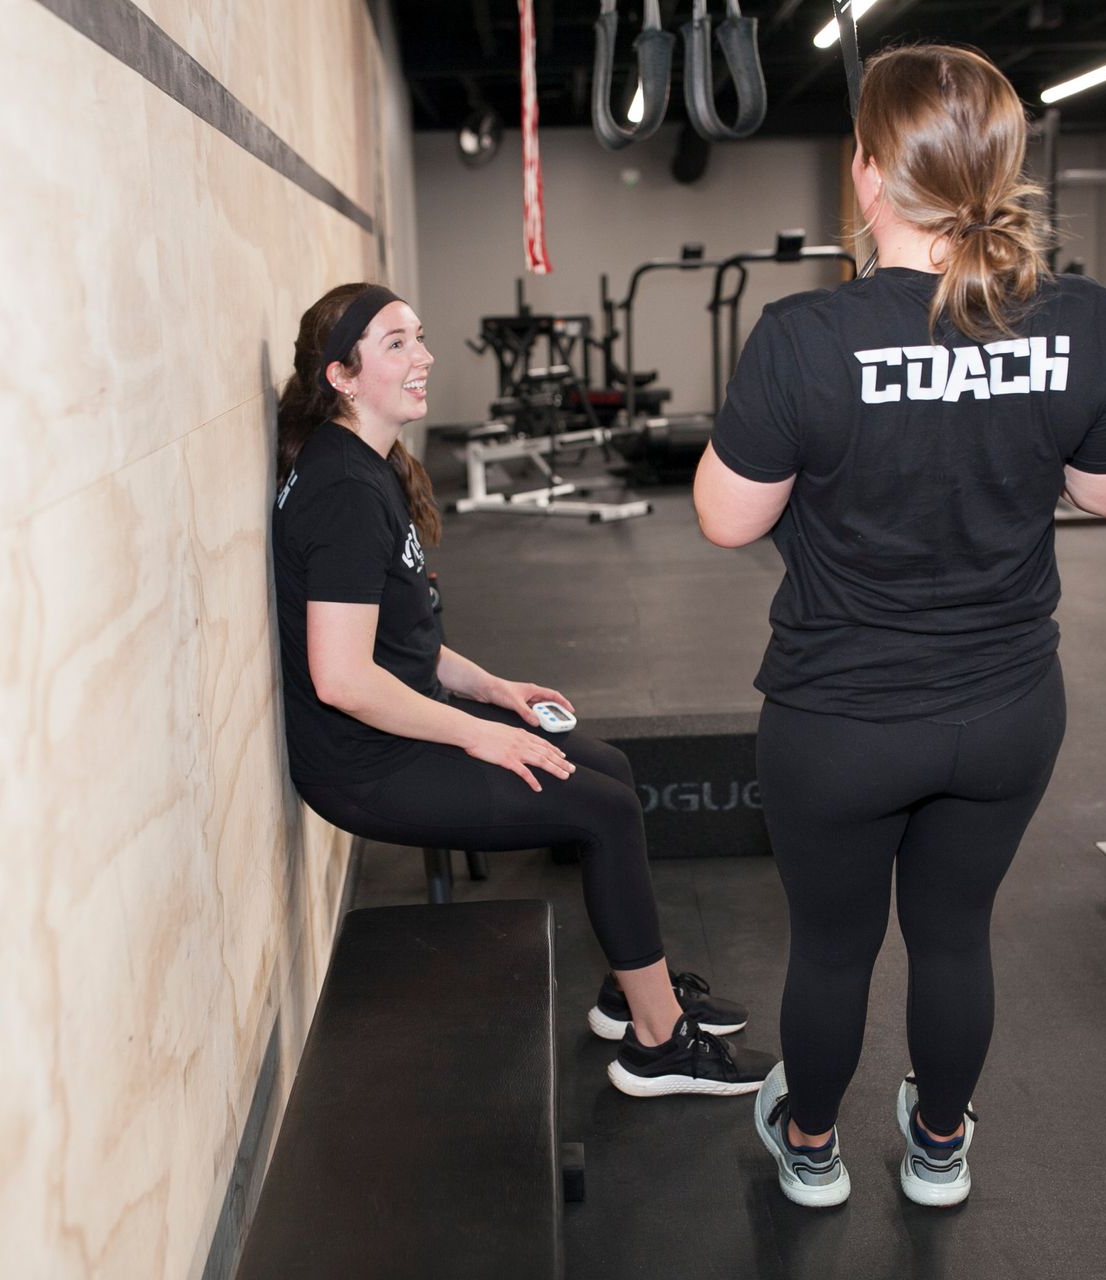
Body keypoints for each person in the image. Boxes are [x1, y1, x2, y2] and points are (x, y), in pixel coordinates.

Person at [693, 46, 1106, 1208]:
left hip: (840, 717)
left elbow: (724, 518)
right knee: (954, 936)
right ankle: (938, 1144)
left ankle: (810, 1146)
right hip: (1004, 711)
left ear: (868, 174)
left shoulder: (803, 338)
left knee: (834, 948)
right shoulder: (1082, 319)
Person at [272, 281, 773, 1098]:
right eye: (396, 344)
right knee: (599, 808)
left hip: (394, 729)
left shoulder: (367, 466)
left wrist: (493, 689)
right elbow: (342, 678)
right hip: (361, 764)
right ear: (342, 376)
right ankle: (655, 1042)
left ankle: (629, 988)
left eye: (419, 336)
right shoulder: (341, 491)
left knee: (607, 766)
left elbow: (407, 642)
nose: (423, 356)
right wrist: (479, 734)